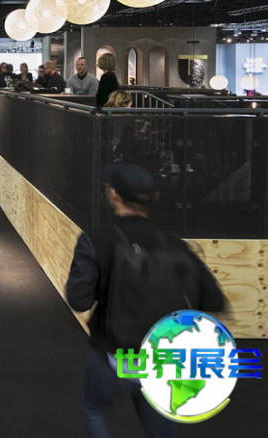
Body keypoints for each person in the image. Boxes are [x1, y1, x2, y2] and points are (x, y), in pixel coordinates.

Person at [66, 163, 224, 438]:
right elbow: (214, 301)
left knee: (94, 407)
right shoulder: (176, 245)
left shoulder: (96, 239)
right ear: (155, 199)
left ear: (113, 195)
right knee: (159, 427)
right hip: (163, 358)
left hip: (113, 355)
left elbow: (78, 300)